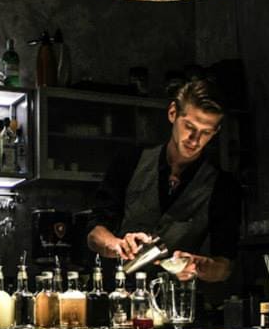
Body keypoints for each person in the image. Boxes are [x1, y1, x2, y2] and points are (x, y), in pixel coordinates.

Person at [86, 79, 241, 282]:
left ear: (216, 131)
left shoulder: (223, 186)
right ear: (172, 113)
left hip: (176, 298)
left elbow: (224, 266)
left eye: (206, 132)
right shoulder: (129, 161)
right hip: (118, 291)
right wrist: (117, 245)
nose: (195, 140)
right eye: (189, 126)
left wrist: (198, 265)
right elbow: (94, 233)